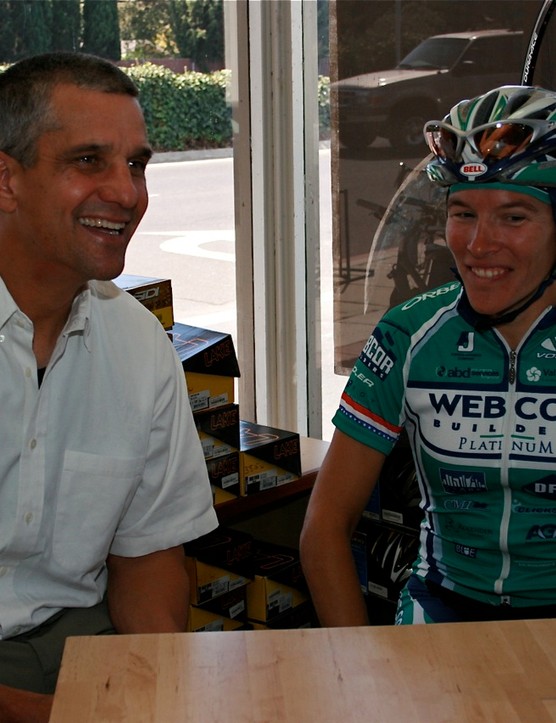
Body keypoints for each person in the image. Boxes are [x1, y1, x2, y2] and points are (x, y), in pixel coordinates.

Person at [0, 52, 218, 722]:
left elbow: (149, 558)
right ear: (6, 180)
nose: (127, 193)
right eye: (89, 160)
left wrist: (158, 693)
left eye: (137, 164)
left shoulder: (140, 346)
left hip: (82, 641)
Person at [301, 84, 556, 627]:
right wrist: (354, 669)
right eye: (463, 213)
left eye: (513, 217)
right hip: (441, 612)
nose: (478, 244)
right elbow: (324, 526)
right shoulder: (408, 334)